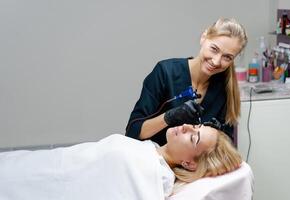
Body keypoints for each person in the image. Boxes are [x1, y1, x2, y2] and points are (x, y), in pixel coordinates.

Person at [0, 124, 241, 200]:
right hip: (49, 164)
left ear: (189, 163)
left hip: (40, 183)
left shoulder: (153, 174)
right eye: (196, 125)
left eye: (194, 136)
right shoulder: (151, 150)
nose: (187, 126)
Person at [126, 18, 248, 146]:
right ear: (204, 37)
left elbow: (228, 146)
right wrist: (169, 117)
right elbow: (133, 131)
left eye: (227, 57)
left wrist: (218, 136)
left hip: (194, 164)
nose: (216, 61)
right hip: (156, 161)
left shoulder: (225, 87)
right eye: (214, 49)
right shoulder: (166, 72)